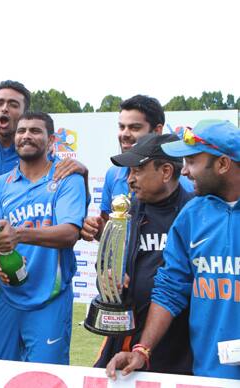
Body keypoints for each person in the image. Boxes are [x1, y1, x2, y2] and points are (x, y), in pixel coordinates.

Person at [106, 120, 240, 379]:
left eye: (191, 162)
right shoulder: (192, 215)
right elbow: (170, 288)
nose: (186, 172)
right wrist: (142, 349)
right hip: (207, 374)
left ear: (223, 164)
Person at [0, 111, 87, 364]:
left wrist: (19, 235)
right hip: (7, 296)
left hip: (50, 297)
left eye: (35, 131)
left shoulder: (66, 179)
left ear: (51, 141)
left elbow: (70, 233)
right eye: (21, 131)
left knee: (44, 379)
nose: (26, 135)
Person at [92, 134, 193, 375]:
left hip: (178, 346)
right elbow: (107, 265)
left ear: (166, 172)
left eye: (137, 170)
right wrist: (108, 280)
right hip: (125, 337)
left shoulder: (193, 214)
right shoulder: (126, 212)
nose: (130, 180)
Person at [82, 95, 193, 241]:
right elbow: (110, 229)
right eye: (122, 127)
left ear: (157, 131)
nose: (125, 134)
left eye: (135, 127)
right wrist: (96, 229)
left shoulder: (185, 185)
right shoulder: (113, 174)